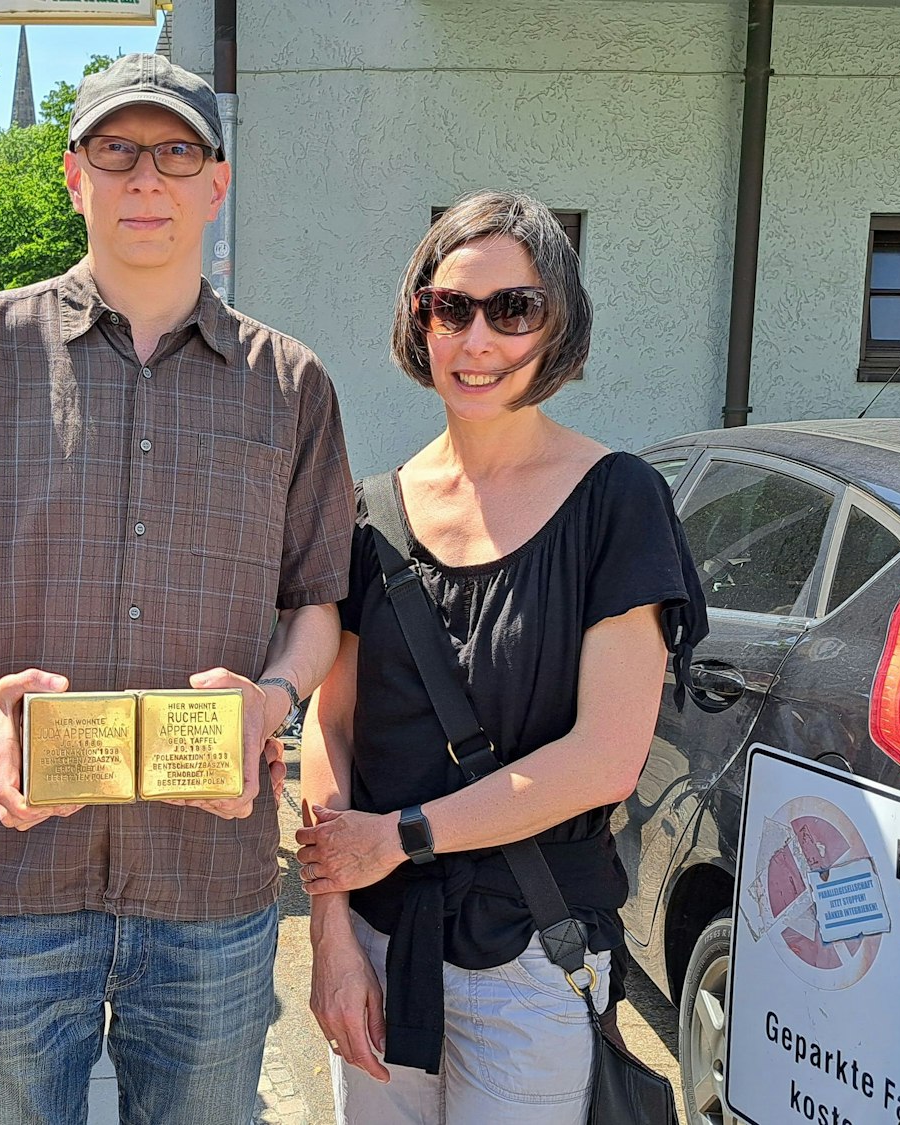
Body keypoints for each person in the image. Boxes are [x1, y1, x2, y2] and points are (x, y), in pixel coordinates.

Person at [0, 53, 355, 1124]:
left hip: (209, 885)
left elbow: (316, 608)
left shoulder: (290, 383)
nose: (146, 178)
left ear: (216, 183)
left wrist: (271, 701)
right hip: (13, 874)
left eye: (176, 152)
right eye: (117, 150)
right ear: (74, 176)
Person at [295, 191, 708, 1124]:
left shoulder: (616, 502)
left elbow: (603, 759)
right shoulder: (373, 512)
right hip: (378, 945)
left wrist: (400, 835)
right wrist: (330, 932)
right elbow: (332, 721)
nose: (477, 339)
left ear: (556, 325)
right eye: (451, 307)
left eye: (512, 309)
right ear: (421, 322)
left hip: (530, 958)